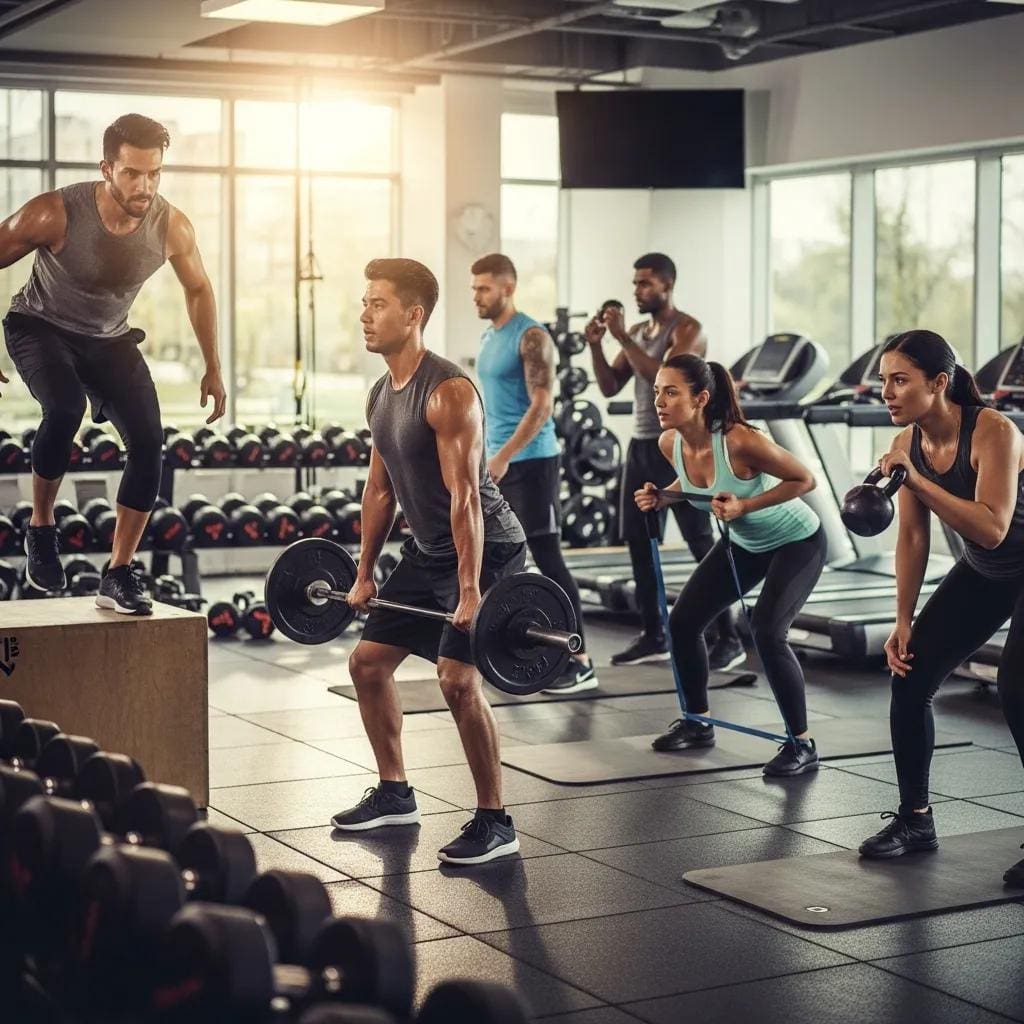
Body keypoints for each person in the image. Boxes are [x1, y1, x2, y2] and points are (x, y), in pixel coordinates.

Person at [330, 258, 527, 866]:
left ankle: (495, 820)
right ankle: (395, 793)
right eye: (364, 302)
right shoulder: (380, 395)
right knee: (366, 664)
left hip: (485, 549)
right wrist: (363, 573)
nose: (365, 315)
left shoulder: (447, 393)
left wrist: (469, 591)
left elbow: (466, 496)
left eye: (378, 304)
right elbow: (380, 492)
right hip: (428, 551)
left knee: (456, 679)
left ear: (413, 316)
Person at [0, 113, 225, 615]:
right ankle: (40, 525)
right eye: (132, 174)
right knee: (64, 408)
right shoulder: (55, 212)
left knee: (149, 442)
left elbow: (199, 289)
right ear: (107, 168)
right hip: (39, 326)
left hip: (108, 339)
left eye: (154, 174)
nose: (144, 186)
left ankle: (118, 573)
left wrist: (213, 364)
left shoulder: (172, 226)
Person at [859, 331, 1024, 885]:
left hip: (1011, 560)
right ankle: (915, 821)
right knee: (910, 676)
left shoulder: (995, 432)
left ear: (939, 383)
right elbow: (911, 538)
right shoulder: (909, 442)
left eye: (900, 380)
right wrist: (903, 621)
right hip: (985, 573)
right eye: (884, 380)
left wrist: (914, 480)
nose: (887, 391)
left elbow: (992, 527)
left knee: (1018, 691)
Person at [635, 354, 826, 776]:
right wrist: (663, 496)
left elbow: (804, 479)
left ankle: (802, 743)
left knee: (767, 631)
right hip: (744, 542)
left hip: (797, 541)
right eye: (656, 392)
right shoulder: (671, 443)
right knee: (683, 623)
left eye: (671, 392)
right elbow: (692, 483)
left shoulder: (739, 440)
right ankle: (697, 723)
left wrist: (747, 504)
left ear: (701, 398)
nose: (659, 402)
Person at [586, 253, 742, 669]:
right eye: (635, 283)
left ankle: (730, 635)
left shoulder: (687, 329)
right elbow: (608, 385)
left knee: (699, 541)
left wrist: (621, 338)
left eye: (645, 284)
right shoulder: (638, 330)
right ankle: (655, 634)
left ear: (667, 285)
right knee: (640, 541)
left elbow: (665, 376)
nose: (637, 290)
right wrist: (596, 345)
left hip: (680, 446)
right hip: (641, 446)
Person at [471, 252, 596, 694]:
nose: (476, 296)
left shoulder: (532, 337)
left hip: (532, 461)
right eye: (474, 288)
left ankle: (580, 661)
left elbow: (542, 404)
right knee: (502, 555)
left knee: (546, 554)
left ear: (508, 287)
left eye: (484, 288)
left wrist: (503, 454)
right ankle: (512, 647)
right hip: (498, 461)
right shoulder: (490, 337)